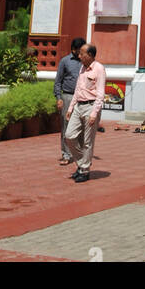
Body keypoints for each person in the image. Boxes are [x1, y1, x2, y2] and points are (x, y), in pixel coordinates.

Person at [65, 43, 106, 183]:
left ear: (90, 55)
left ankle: (84, 170)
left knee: (88, 142)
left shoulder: (99, 69)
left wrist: (94, 113)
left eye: (82, 54)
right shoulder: (82, 68)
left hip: (91, 106)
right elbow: (77, 89)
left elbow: (100, 93)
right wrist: (70, 108)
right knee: (69, 136)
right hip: (78, 106)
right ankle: (83, 164)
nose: (79, 56)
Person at [54, 36, 85, 166]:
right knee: (66, 127)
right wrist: (59, 98)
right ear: (74, 49)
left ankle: (79, 154)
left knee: (82, 126)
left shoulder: (86, 62)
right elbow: (58, 81)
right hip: (67, 97)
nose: (82, 52)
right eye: (80, 50)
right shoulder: (65, 61)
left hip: (82, 98)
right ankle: (66, 154)